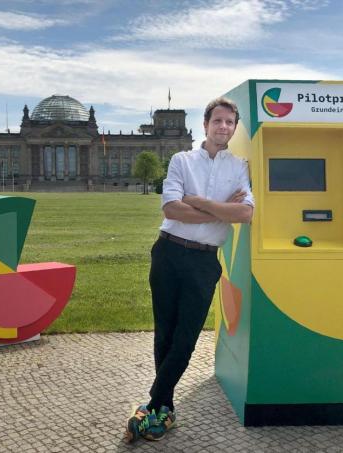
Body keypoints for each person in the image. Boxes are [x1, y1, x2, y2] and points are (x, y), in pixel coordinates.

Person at [125, 97, 255, 442]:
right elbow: (171, 209)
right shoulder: (181, 160)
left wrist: (198, 202)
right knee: (164, 333)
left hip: (204, 261)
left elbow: (245, 214)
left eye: (229, 122)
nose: (223, 127)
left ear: (234, 127)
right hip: (167, 253)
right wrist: (221, 209)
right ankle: (164, 408)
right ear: (205, 124)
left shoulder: (239, 167)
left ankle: (154, 402)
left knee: (186, 338)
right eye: (218, 121)